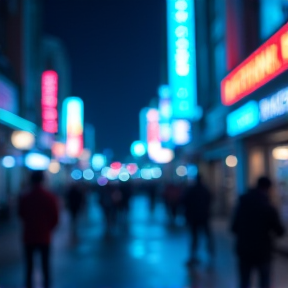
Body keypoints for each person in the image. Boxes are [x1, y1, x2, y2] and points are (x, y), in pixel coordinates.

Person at [231, 176, 285, 288]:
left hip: (244, 249)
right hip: (263, 251)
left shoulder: (243, 202)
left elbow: (234, 227)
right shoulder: (268, 207)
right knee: (264, 281)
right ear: (268, 188)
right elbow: (280, 231)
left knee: (244, 281)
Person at [18, 170, 59, 288]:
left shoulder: (25, 197)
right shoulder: (50, 197)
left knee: (28, 267)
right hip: (44, 236)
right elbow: (55, 218)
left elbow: (21, 214)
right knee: (45, 266)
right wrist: (47, 228)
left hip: (29, 236)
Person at [184, 174, 214, 265]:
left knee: (194, 237)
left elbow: (185, 202)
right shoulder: (205, 190)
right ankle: (210, 254)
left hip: (195, 217)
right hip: (204, 216)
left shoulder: (191, 190)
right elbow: (210, 200)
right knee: (207, 236)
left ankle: (194, 255)